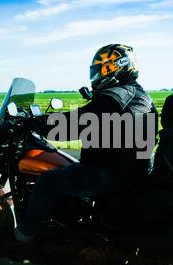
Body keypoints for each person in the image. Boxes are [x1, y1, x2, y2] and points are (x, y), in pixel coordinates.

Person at [14, 44, 158, 243]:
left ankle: (23, 237)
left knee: (47, 181)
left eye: (103, 67)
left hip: (113, 173)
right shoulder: (138, 94)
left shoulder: (114, 97)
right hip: (133, 169)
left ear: (118, 67)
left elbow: (74, 124)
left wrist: (34, 123)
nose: (98, 73)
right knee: (70, 169)